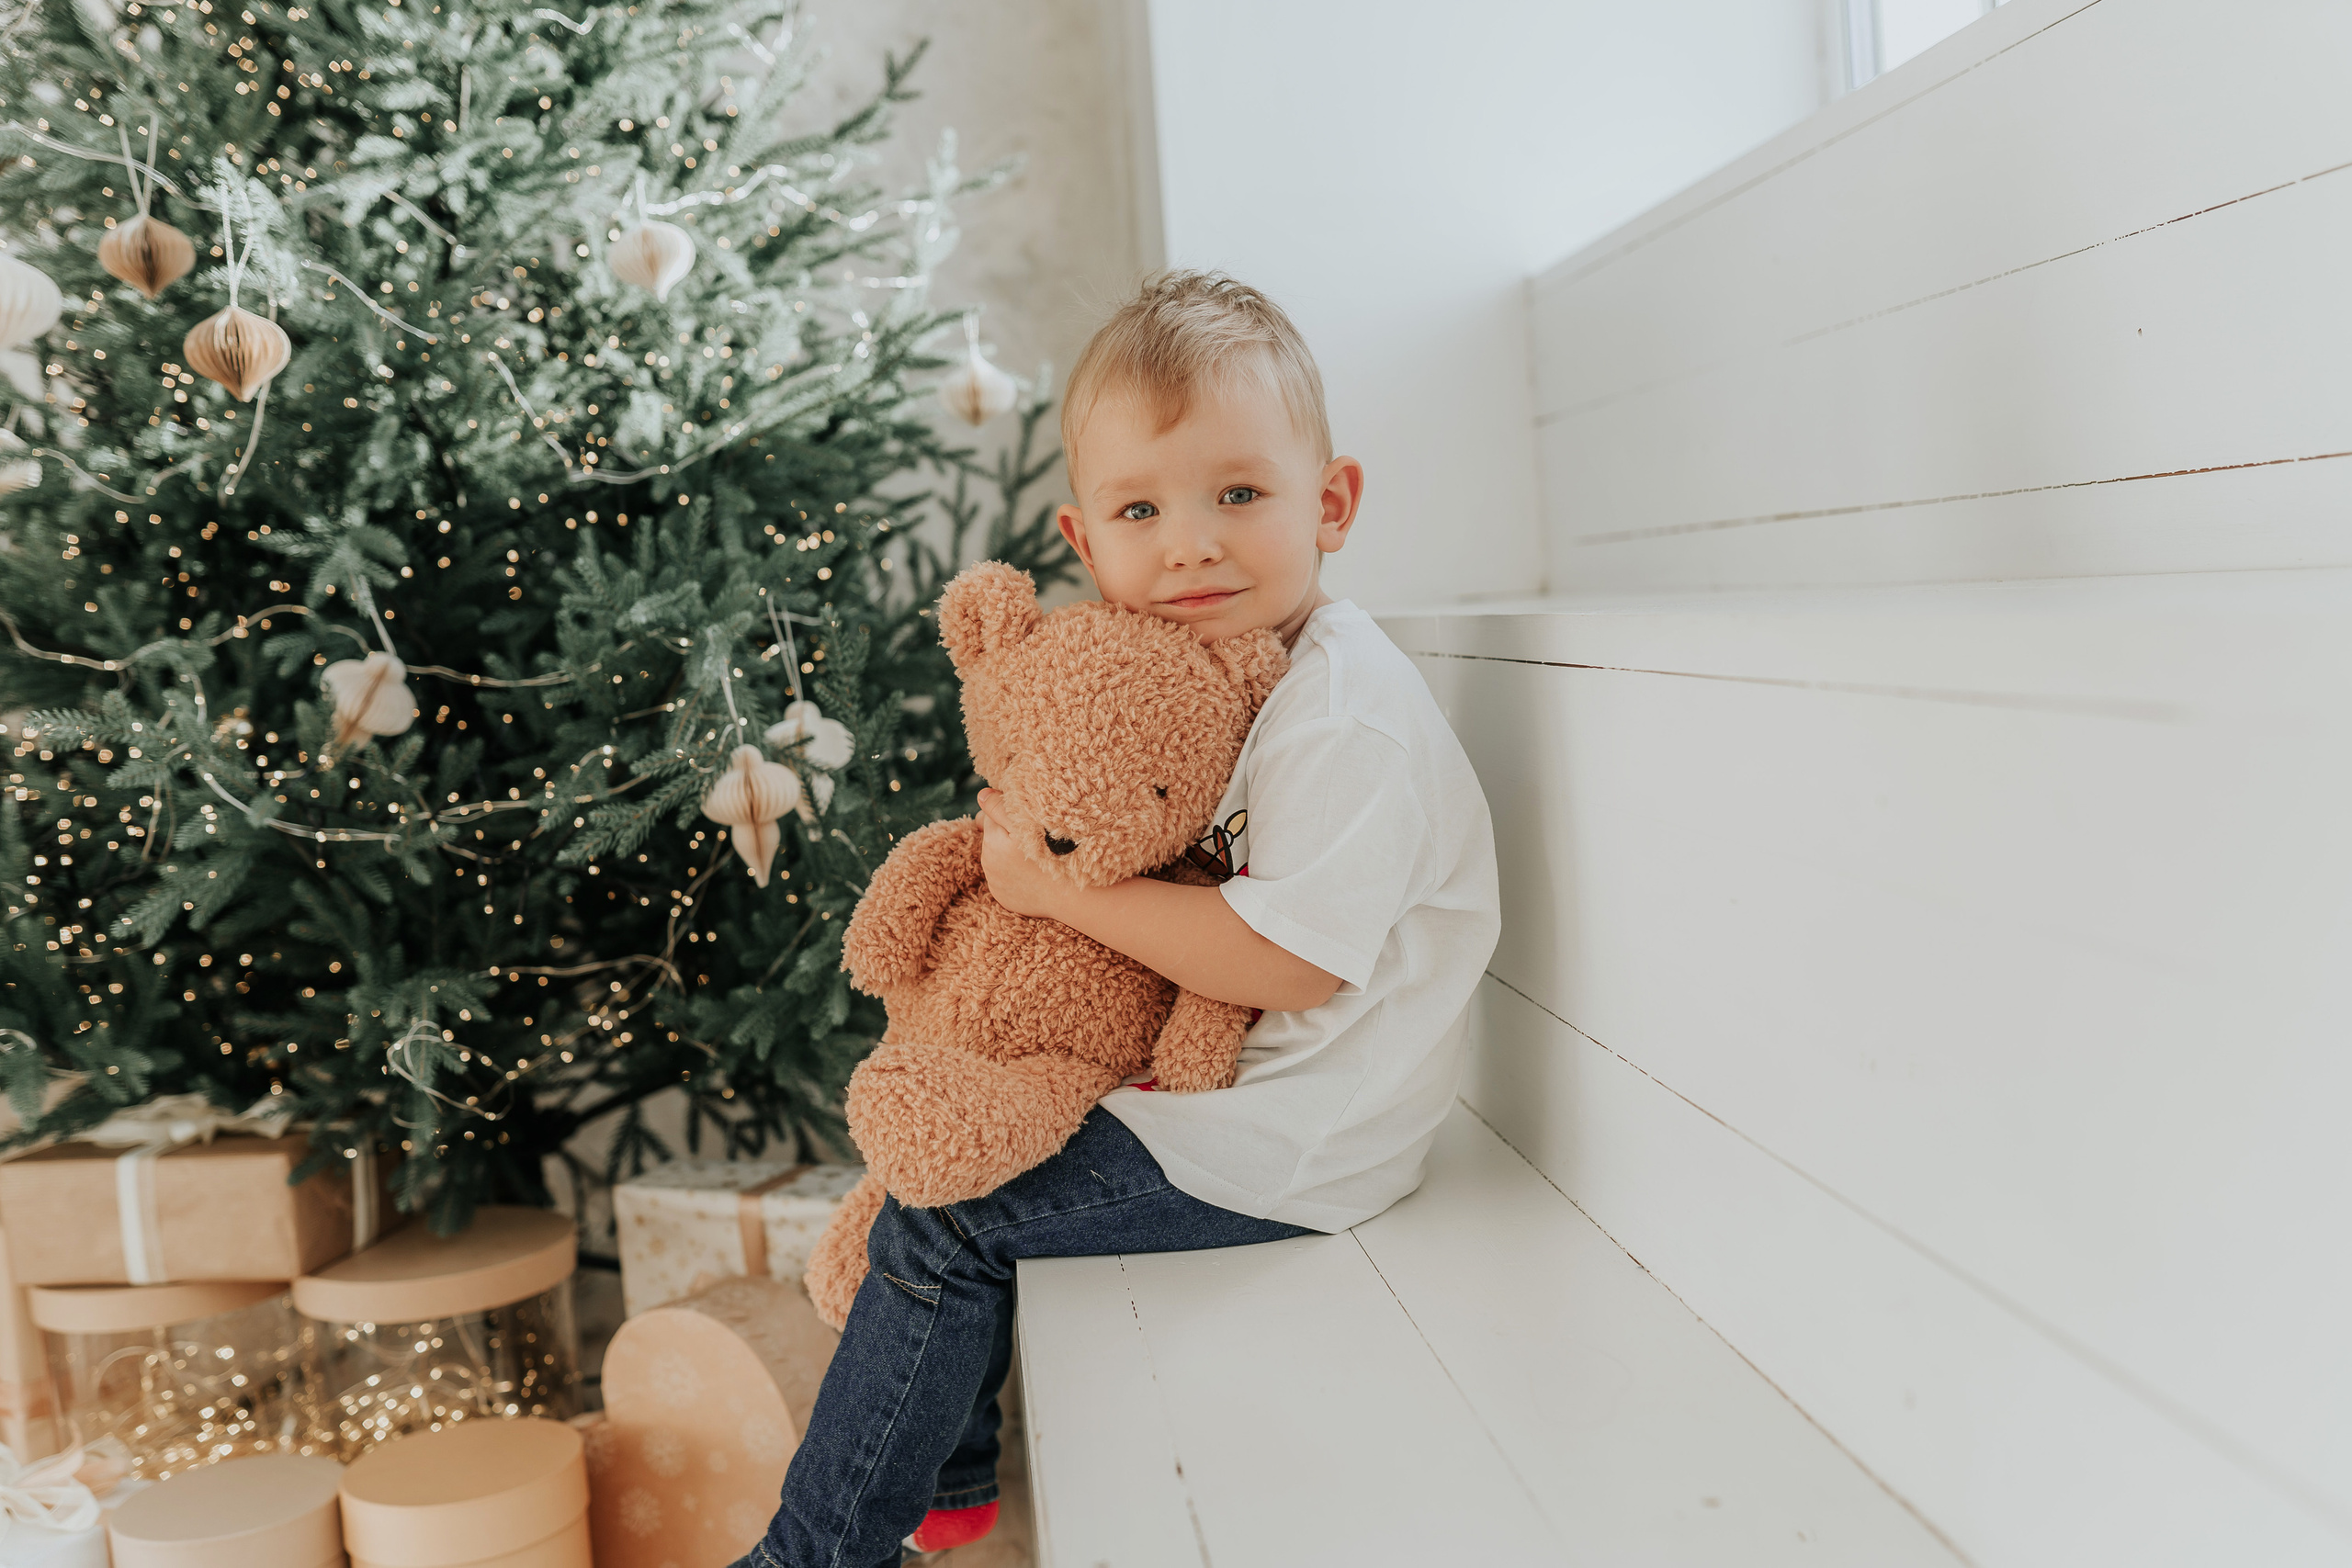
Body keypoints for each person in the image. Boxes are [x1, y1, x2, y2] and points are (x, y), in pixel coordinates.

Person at [738, 272, 1500, 1566]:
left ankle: (810, 1556)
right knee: (953, 1112)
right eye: (1142, 509)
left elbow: (1287, 966)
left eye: (1239, 494)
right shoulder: (1194, 675)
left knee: (948, 1218)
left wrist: (1061, 888)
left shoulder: (1343, 718)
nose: (1190, 544)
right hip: (1226, 1095)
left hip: (1296, 1137)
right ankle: (950, 1484)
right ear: (1084, 544)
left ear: (1331, 504)